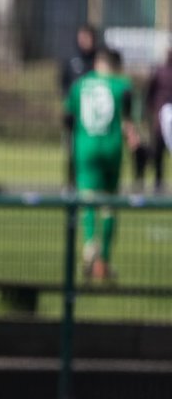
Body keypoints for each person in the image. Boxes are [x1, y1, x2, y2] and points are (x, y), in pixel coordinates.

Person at [65, 46, 138, 283]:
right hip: (111, 147)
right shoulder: (122, 85)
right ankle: (103, 260)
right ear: (114, 65)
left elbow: (68, 116)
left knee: (88, 200)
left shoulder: (80, 85)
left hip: (85, 147)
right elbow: (128, 119)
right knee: (109, 204)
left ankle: (89, 244)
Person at [60, 24, 99, 189]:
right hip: (75, 117)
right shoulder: (71, 60)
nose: (84, 41)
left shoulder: (98, 61)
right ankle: (71, 187)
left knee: (94, 154)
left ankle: (94, 186)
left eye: (87, 37)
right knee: (73, 154)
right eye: (81, 37)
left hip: (95, 117)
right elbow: (63, 85)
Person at [139, 47, 172, 193]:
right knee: (158, 151)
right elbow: (150, 93)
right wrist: (150, 111)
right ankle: (157, 182)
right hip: (161, 120)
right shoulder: (160, 72)